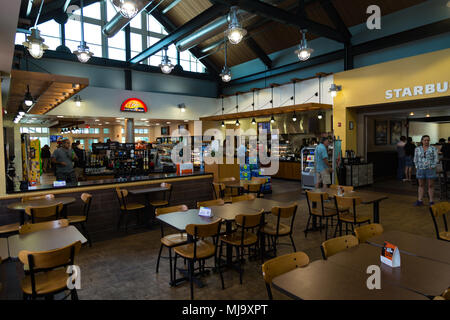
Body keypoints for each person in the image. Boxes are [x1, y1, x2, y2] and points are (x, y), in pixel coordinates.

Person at [413, 135, 439, 206]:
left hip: (430, 169)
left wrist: (432, 166)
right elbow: (415, 159)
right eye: (425, 140)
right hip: (420, 169)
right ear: (422, 141)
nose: (426, 141)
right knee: (421, 185)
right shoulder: (417, 149)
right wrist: (417, 166)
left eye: (428, 140)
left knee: (430, 185)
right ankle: (419, 200)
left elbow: (436, 159)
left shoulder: (433, 148)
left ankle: (431, 201)